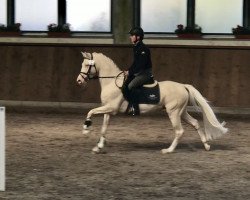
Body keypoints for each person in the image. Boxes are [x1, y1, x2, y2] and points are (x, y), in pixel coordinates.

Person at [122, 27, 154, 116]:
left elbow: (141, 65)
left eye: (132, 35)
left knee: (131, 86)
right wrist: (128, 70)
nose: (130, 37)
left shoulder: (143, 49)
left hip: (145, 73)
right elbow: (135, 63)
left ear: (138, 37)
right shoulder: (136, 47)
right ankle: (130, 105)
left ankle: (135, 109)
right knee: (125, 85)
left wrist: (130, 72)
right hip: (138, 72)